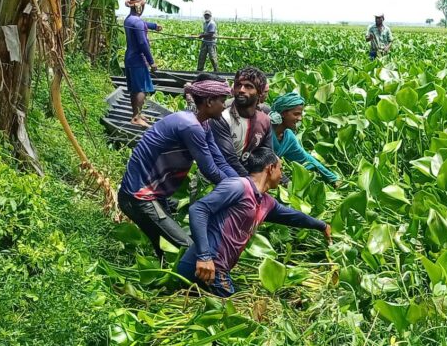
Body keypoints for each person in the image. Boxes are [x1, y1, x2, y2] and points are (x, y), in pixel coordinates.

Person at [178, 147, 332, 297]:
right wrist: (204, 257)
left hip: (218, 272)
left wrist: (322, 225)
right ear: (270, 168)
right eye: (281, 169)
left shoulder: (266, 202)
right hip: (205, 268)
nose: (282, 175)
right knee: (248, 311)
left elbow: (293, 216)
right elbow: (198, 209)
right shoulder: (238, 186)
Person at [117, 78, 237, 261]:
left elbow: (220, 161)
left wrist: (242, 184)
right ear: (209, 102)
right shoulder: (190, 127)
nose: (224, 106)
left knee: (168, 251)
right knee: (191, 252)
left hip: (155, 195)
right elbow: (210, 170)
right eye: (222, 101)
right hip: (139, 197)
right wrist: (239, 192)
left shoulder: (202, 124)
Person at [210, 66, 272, 176]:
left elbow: (266, 153)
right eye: (238, 85)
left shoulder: (264, 120)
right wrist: (252, 183)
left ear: (260, 92)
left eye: (248, 86)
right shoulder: (221, 118)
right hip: (217, 177)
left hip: (246, 177)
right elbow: (229, 160)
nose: (241, 90)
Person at [269, 92, 339, 185]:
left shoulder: (288, 136)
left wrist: (333, 179)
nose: (300, 118)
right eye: (296, 114)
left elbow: (306, 159)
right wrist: (287, 183)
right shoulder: (266, 131)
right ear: (283, 113)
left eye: (301, 114)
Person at [123, 0, 161, 126]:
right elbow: (143, 43)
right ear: (140, 6)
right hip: (138, 59)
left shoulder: (129, 19)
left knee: (135, 88)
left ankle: (136, 114)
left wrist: (154, 26)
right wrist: (151, 61)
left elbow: (142, 24)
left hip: (129, 58)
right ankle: (136, 117)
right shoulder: (137, 22)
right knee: (141, 89)